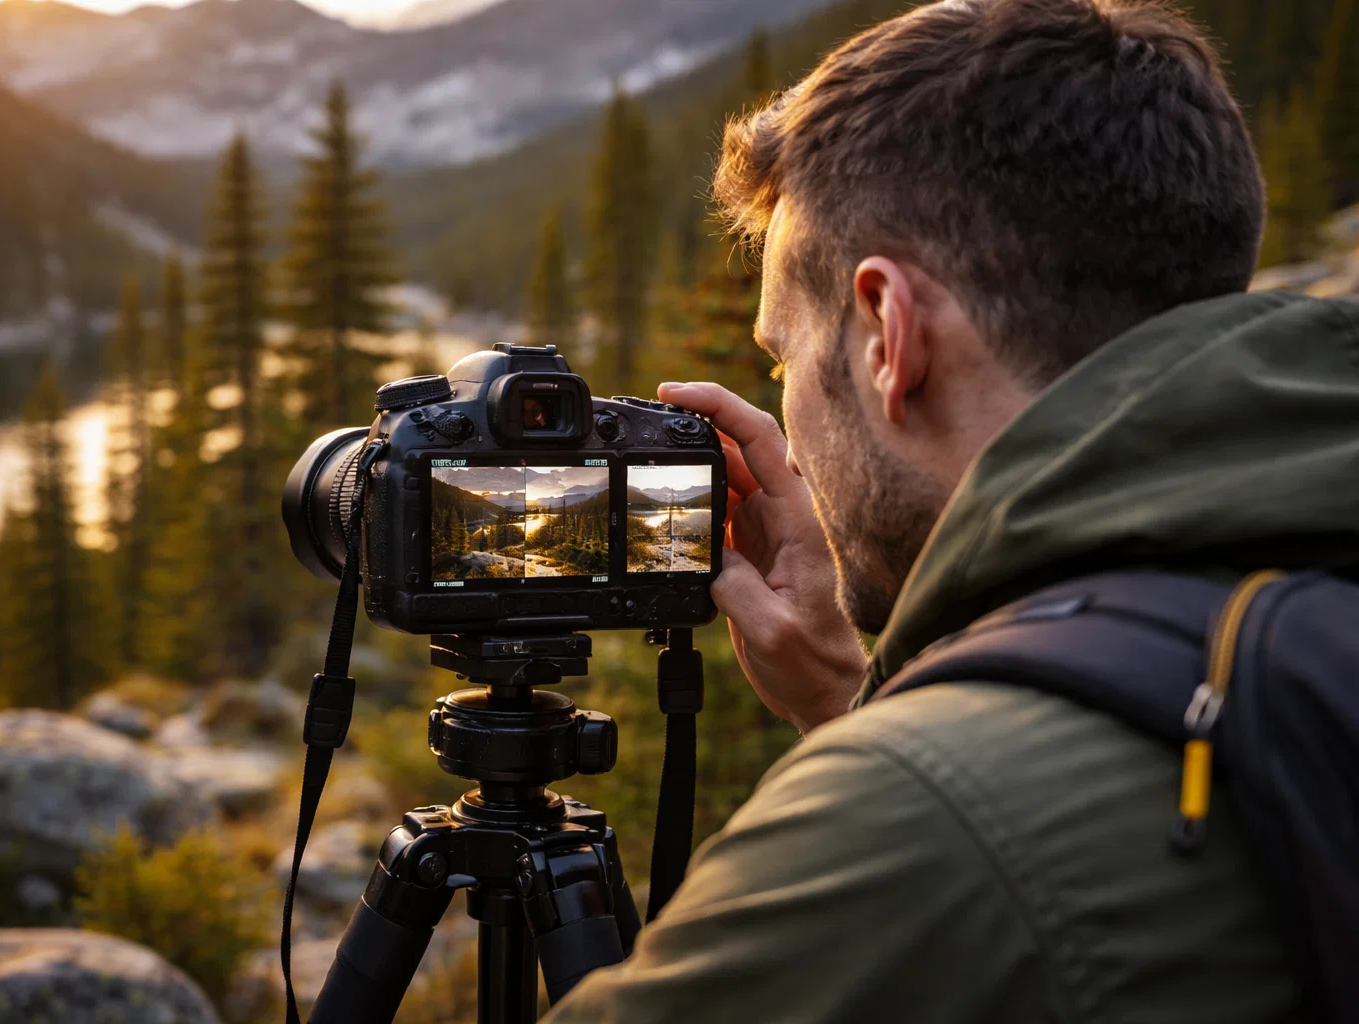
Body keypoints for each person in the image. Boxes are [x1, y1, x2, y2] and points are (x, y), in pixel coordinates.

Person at [545, 0, 1358, 1020]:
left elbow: (993, 860)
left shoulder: (912, 828)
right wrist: (849, 698)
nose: (787, 429)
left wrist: (886, 760)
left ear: (889, 331)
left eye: (781, 354)